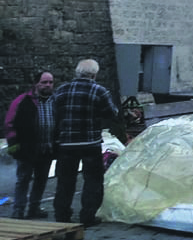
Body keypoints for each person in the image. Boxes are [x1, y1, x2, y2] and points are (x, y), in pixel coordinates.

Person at [51, 59, 121, 227]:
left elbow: (55, 115)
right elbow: (112, 114)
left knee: (65, 181)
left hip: (66, 144)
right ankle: (88, 216)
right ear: (94, 74)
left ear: (77, 72)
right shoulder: (99, 91)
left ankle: (62, 215)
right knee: (93, 180)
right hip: (90, 143)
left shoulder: (61, 91)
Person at [4, 71, 56, 219]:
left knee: (41, 180)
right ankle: (18, 210)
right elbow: (9, 122)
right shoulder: (22, 101)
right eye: (44, 82)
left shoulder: (55, 101)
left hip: (47, 148)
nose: (48, 85)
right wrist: (13, 143)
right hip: (27, 149)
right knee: (23, 180)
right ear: (36, 84)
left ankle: (34, 208)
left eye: (50, 82)